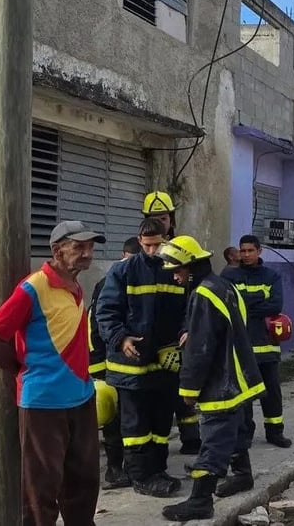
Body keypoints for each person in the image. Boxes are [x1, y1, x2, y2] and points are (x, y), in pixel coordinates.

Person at [0, 220, 104, 524]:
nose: (87, 253)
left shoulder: (74, 285)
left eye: (90, 247)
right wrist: (22, 369)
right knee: (41, 488)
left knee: (85, 480)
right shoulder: (33, 287)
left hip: (81, 397)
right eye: (79, 247)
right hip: (44, 403)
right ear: (57, 250)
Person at [156, 236, 266, 521]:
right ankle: (243, 475)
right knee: (238, 429)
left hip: (222, 382)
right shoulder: (223, 285)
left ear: (191, 266)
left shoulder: (202, 295)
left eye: (178, 270)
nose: (176, 277)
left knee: (214, 439)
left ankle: (200, 500)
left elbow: (200, 348)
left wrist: (189, 388)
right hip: (241, 375)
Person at [96, 218, 185, 497]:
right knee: (135, 426)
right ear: (139, 240)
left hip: (164, 364)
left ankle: (157, 469)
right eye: (146, 245)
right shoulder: (122, 272)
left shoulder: (174, 271)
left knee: (160, 424)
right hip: (130, 367)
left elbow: (187, 311)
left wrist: (185, 335)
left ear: (166, 239)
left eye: (157, 245)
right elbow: (106, 312)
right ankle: (140, 476)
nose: (151, 251)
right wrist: (121, 338)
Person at [141, 190, 201, 455]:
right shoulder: (142, 250)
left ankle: (191, 438)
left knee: (184, 386)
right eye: (153, 218)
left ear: (172, 219)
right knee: (159, 391)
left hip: (180, 330)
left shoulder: (182, 248)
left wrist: (188, 327)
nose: (160, 223)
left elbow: (194, 295)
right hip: (153, 332)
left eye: (163, 217)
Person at [220, 235, 293, 453]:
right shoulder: (230, 275)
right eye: (243, 251)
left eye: (250, 250)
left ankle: (275, 431)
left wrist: (246, 306)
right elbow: (229, 303)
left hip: (267, 346)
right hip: (241, 346)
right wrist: (259, 301)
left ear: (259, 251)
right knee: (246, 393)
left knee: (271, 391)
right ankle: (245, 434)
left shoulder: (271, 275)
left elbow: (275, 305)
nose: (246, 255)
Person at [89, 236, 141, 490]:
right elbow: (96, 326)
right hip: (106, 363)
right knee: (111, 419)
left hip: (126, 363)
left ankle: (129, 467)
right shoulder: (109, 282)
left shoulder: (139, 280)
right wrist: (98, 367)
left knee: (128, 418)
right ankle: (113, 469)